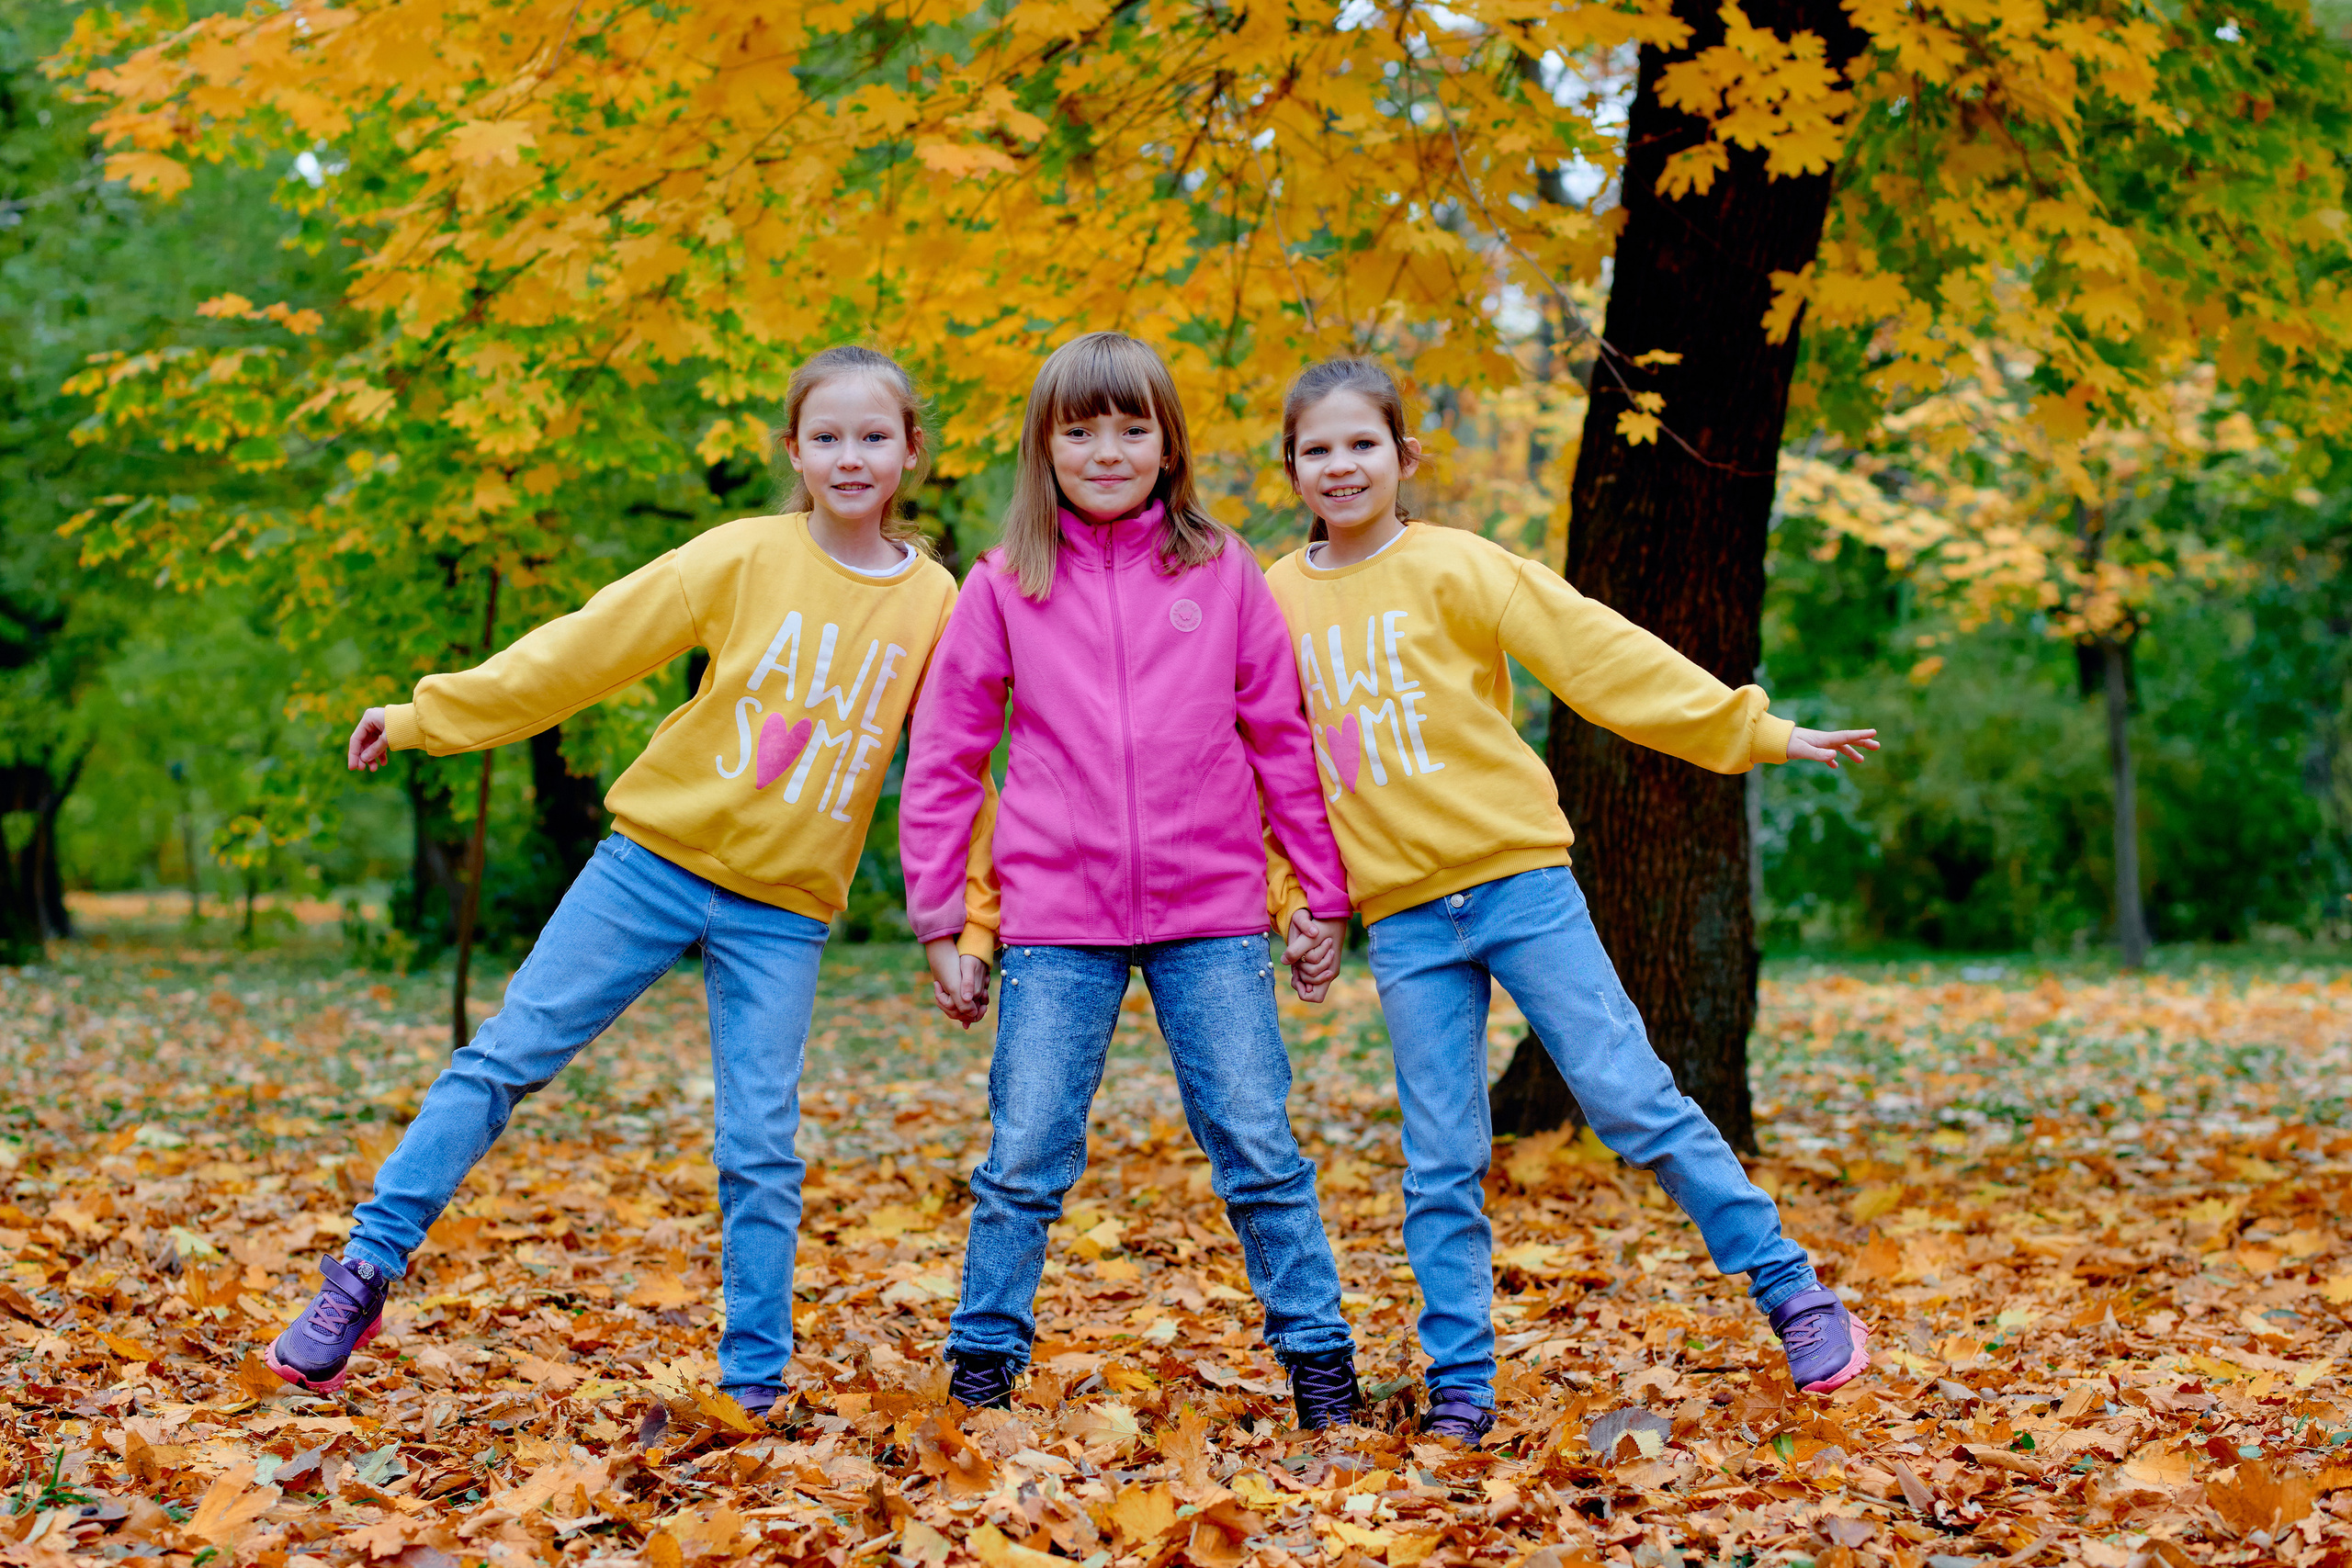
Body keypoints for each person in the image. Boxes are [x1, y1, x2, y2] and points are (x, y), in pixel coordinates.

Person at [268, 346, 991, 1416]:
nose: (851, 456)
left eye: (873, 436)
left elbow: (955, 764)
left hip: (783, 912)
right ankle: (362, 1273)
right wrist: (431, 717)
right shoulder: (742, 555)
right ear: (794, 450)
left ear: (911, 452)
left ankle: (752, 1380)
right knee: (500, 1058)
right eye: (827, 437)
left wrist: (965, 924)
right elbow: (586, 647)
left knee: (760, 1146)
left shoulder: (939, 601)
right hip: (649, 866)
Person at [1264, 358, 1878, 1445]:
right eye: (1318, 449)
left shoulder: (1459, 566)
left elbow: (1602, 658)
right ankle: (1461, 1382)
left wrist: (1758, 731)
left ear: (1404, 458)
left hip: (1517, 885)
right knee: (1440, 1156)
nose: (1341, 465)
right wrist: (1297, 899)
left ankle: (1792, 1290)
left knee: (1630, 1097)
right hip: (1403, 922)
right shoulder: (1270, 602)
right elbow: (1264, 763)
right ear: (1293, 469)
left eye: (1363, 444)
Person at [898, 331, 1365, 1429]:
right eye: (1080, 429)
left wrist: (1318, 894)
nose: (1106, 449)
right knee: (1025, 1152)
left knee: (1255, 1139)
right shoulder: (1005, 583)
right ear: (1044, 446)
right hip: (1057, 920)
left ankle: (1319, 1363)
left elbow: (1282, 740)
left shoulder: (1222, 568)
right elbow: (945, 758)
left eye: (1131, 427)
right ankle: (980, 1369)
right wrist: (944, 923)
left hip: (1211, 913)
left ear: (1167, 447)